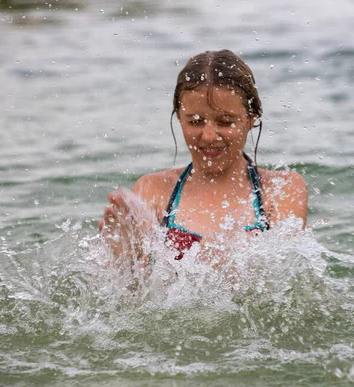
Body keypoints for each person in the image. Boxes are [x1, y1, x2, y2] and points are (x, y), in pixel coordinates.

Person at [99, 49, 308, 263]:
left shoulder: (281, 190)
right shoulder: (154, 190)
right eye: (195, 122)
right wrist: (125, 262)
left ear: (250, 119)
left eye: (225, 122)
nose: (208, 136)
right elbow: (138, 293)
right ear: (180, 118)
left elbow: (285, 279)